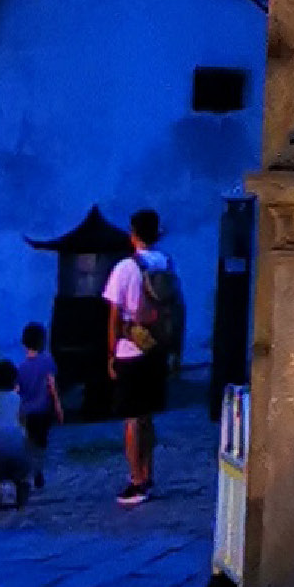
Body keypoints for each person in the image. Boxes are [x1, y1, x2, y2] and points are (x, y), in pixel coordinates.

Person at [101, 208, 182, 507]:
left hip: (131, 349)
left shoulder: (125, 267)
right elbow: (177, 308)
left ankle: (135, 480)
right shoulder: (167, 264)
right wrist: (175, 350)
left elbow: (113, 313)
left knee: (131, 419)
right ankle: (148, 473)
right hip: (158, 349)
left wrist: (111, 352)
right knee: (147, 417)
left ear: (132, 233)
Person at [6, 321, 62, 505]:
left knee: (29, 443)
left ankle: (29, 473)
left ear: (24, 344)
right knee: (41, 444)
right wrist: (58, 406)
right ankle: (37, 470)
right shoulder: (47, 361)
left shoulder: (21, 367)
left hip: (27, 412)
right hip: (43, 410)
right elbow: (52, 385)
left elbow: (17, 390)